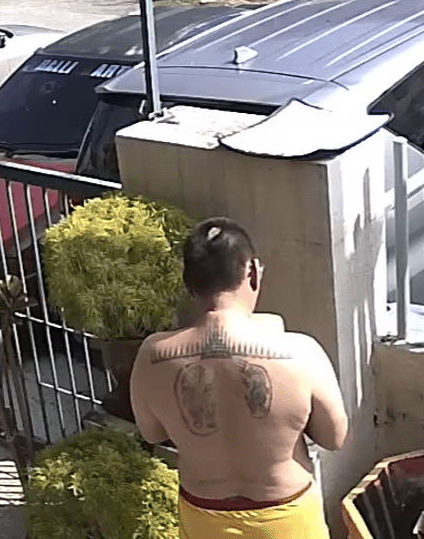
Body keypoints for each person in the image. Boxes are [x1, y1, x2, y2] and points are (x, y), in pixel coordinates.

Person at [131, 216, 348, 539]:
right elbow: (334, 437)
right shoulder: (300, 352)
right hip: (285, 518)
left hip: (204, 517)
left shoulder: (153, 355)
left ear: (189, 284)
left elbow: (151, 433)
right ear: (253, 273)